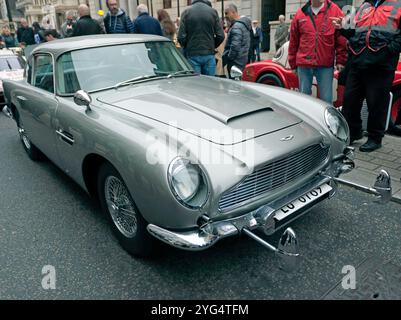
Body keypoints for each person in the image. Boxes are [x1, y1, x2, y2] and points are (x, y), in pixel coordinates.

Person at [332, 0, 401, 152]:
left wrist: (388, 51)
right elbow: (355, 32)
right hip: (357, 62)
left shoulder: (398, 4)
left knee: (377, 104)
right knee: (350, 101)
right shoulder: (364, 5)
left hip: (381, 65)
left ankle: (375, 138)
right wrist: (342, 28)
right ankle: (354, 132)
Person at [288, 0, 347, 104]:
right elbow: (293, 40)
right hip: (304, 64)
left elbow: (340, 37)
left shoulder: (335, 11)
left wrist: (341, 60)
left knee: (326, 100)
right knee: (303, 100)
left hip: (325, 64)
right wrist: (293, 64)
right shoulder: (300, 13)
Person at [178, 0, 224, 76]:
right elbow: (220, 35)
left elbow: (180, 37)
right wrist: (212, 45)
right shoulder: (213, 12)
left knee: (196, 84)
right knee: (210, 83)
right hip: (209, 53)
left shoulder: (186, 12)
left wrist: (188, 46)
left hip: (192, 54)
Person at [222, 4, 252, 76]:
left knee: (234, 85)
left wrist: (229, 59)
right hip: (241, 61)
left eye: (226, 13)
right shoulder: (242, 25)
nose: (225, 16)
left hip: (235, 63)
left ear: (233, 12)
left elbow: (235, 46)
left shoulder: (237, 26)